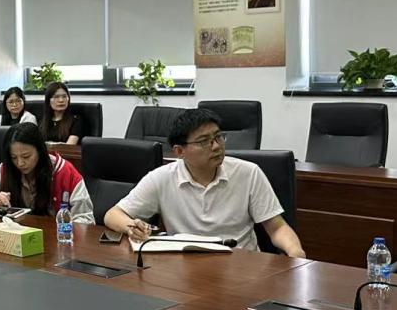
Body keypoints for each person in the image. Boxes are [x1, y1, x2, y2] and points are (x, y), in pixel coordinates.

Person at [104, 108, 306, 256]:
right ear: (179, 151)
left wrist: (295, 252)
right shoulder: (162, 178)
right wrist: (132, 226)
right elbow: (113, 215)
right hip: (184, 267)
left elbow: (277, 227)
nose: (216, 146)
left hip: (241, 265)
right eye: (204, 142)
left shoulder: (248, 173)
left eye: (218, 137)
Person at [0, 123, 93, 222]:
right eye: (14, 157)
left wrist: (65, 229)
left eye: (26, 156)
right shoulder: (6, 170)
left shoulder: (65, 172)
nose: (20, 163)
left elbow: (86, 219)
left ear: (40, 151)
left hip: (55, 241)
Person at [38, 82, 86, 146]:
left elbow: (69, 146)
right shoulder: (41, 121)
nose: (61, 100)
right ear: (48, 101)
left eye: (64, 96)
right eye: (56, 97)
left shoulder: (76, 120)